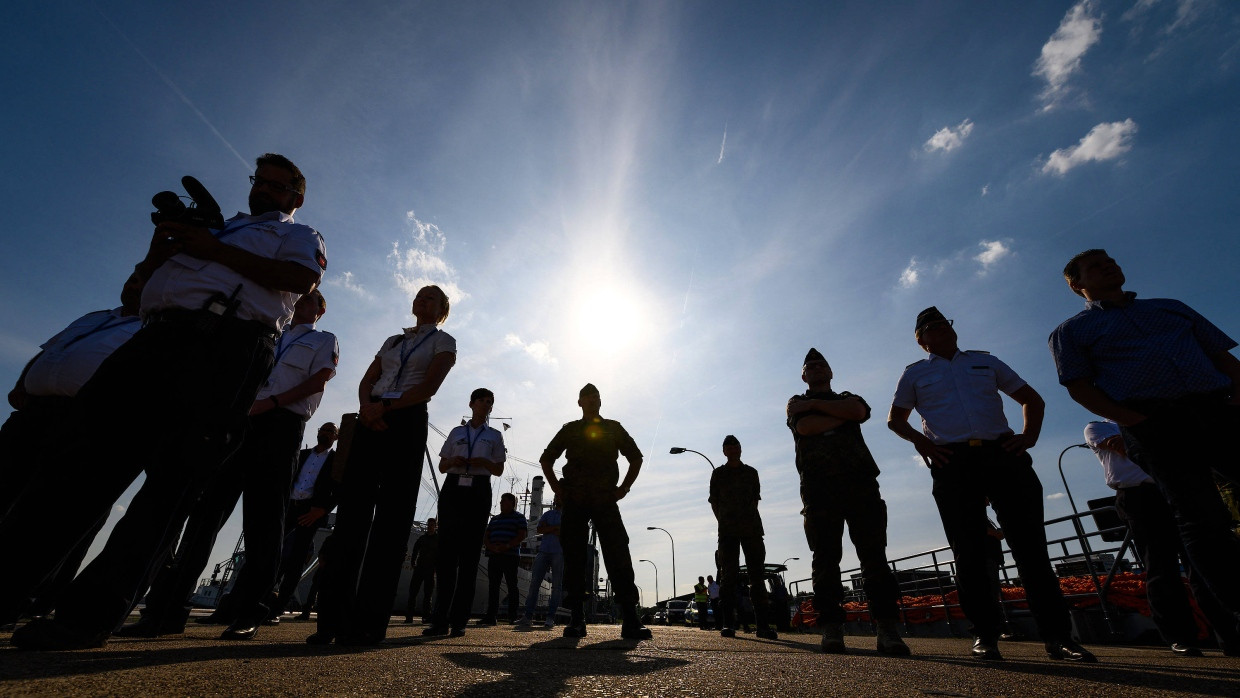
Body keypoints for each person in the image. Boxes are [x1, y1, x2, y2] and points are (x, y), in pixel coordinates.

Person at [2, 153, 325, 650]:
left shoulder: (296, 235)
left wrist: (210, 250)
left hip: (226, 343)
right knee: (76, 466)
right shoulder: (218, 228)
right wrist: (164, 247)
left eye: (278, 186)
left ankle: (87, 616)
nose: (265, 190)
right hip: (156, 337)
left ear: (296, 198)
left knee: (169, 485)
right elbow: (142, 281)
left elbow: (299, 280)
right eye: (259, 181)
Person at [118, 289, 337, 641]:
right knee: (205, 515)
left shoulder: (324, 339)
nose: (300, 305)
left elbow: (319, 378)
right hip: (239, 419)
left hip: (281, 424)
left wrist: (274, 402)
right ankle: (165, 610)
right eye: (298, 300)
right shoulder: (269, 332)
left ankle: (249, 610)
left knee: (264, 518)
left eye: (309, 301)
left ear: (320, 311)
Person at [888, 308, 1094, 663]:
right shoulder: (916, 374)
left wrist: (1028, 436)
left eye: (946, 324)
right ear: (921, 340)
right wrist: (924, 445)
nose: (942, 330)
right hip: (952, 462)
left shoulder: (986, 362)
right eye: (932, 328)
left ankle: (1059, 638)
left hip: (1002, 454)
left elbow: (1032, 398)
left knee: (1031, 548)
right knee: (968, 554)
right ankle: (985, 635)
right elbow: (896, 419)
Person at [1049, 249, 1240, 618]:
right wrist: (1134, 421)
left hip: (1218, 408)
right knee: (1201, 516)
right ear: (1077, 284)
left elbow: (1222, 355)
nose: (1109, 266)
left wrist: (1237, 396)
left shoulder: (1172, 308)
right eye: (1095, 267)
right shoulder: (1071, 331)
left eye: (1110, 261)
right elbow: (1079, 387)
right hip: (1156, 421)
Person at [308, 285, 456, 646]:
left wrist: (386, 408)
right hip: (370, 419)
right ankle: (330, 621)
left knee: (392, 521)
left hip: (404, 419)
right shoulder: (392, 341)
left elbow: (429, 387)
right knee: (351, 518)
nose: (423, 300)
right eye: (419, 295)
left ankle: (369, 623)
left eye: (431, 298)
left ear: (442, 310)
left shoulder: (444, 341)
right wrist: (366, 408)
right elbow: (367, 379)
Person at [0, 274, 145, 619]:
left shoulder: (153, 327)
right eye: (133, 277)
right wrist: (23, 381)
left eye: (144, 280)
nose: (134, 285)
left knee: (56, 504)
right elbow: (50, 350)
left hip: (84, 418)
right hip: (33, 412)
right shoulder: (94, 317)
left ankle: (39, 594)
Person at [1083, 420, 1240, 656]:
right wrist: (1158, 440)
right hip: (1139, 497)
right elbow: (1119, 446)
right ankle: (1179, 636)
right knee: (1160, 566)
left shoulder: (1148, 421)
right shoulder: (1098, 426)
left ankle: (1230, 635)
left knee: (1202, 564)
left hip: (1175, 489)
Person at [788, 350, 909, 656]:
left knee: (874, 558)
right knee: (826, 560)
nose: (816, 368)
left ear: (830, 371)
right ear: (804, 376)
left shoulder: (848, 397)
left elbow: (857, 412)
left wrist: (819, 408)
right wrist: (835, 415)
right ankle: (832, 628)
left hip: (860, 484)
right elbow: (805, 427)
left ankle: (887, 628)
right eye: (810, 366)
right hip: (818, 488)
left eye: (821, 364)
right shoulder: (794, 402)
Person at [539, 383, 651, 640]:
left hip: (605, 499)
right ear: (579, 402)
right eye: (586, 397)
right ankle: (576, 618)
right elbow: (547, 458)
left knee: (618, 553)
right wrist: (558, 488)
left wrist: (624, 488)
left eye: (595, 397)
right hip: (575, 499)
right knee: (575, 557)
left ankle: (630, 618)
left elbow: (635, 457)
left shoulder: (613, 427)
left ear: (600, 401)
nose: (591, 400)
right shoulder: (570, 429)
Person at [424, 388, 506, 637]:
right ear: (471, 404)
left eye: (490, 402)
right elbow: (441, 465)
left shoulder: (494, 435)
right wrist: (453, 461)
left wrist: (484, 463)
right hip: (454, 486)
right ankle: (439, 619)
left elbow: (499, 470)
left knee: (470, 558)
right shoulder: (457, 432)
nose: (486, 404)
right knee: (446, 555)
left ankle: (459, 620)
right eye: (482, 400)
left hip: (479, 489)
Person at [709, 435, 777, 640]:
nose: (732, 450)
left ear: (740, 449)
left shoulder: (751, 473)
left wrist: (744, 521)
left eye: (735, 446)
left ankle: (763, 626)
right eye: (728, 447)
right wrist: (724, 522)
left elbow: (755, 501)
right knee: (728, 577)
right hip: (728, 531)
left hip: (752, 530)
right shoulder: (718, 474)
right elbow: (714, 503)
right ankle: (728, 624)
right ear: (724, 451)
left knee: (757, 576)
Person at [271, 421, 341, 618]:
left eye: (331, 431)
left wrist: (323, 510)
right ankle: (256, 599)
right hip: (288, 507)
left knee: (296, 560)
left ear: (336, 437)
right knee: (270, 553)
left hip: (311, 512)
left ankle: (277, 608)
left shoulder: (336, 462)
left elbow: (338, 491)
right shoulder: (301, 455)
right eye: (323, 429)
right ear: (318, 432)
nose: (326, 433)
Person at [516, 498, 564, 628]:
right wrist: (555, 529)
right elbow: (539, 529)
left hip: (559, 552)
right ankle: (528, 616)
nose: (556, 498)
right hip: (543, 551)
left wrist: (548, 528)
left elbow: (563, 532)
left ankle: (550, 617)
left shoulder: (567, 515)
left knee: (556, 586)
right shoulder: (547, 514)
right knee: (534, 584)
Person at [480, 493, 527, 625]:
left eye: (504, 501)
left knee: (512, 586)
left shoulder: (519, 518)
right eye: (501, 501)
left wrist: (506, 546)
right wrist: (491, 547)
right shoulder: (494, 519)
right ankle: (491, 616)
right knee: (493, 586)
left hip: (510, 556)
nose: (501, 503)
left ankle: (513, 616)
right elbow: (486, 536)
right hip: (494, 555)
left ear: (512, 502)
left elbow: (521, 535)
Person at [403, 518, 438, 624]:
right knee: (413, 592)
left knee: (428, 594)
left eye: (432, 525)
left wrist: (437, 567)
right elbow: (415, 550)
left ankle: (426, 617)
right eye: (429, 525)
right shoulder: (422, 538)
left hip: (430, 569)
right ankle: (409, 617)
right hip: (420, 568)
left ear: (435, 526)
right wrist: (413, 562)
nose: (430, 527)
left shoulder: (438, 540)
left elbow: (440, 554)